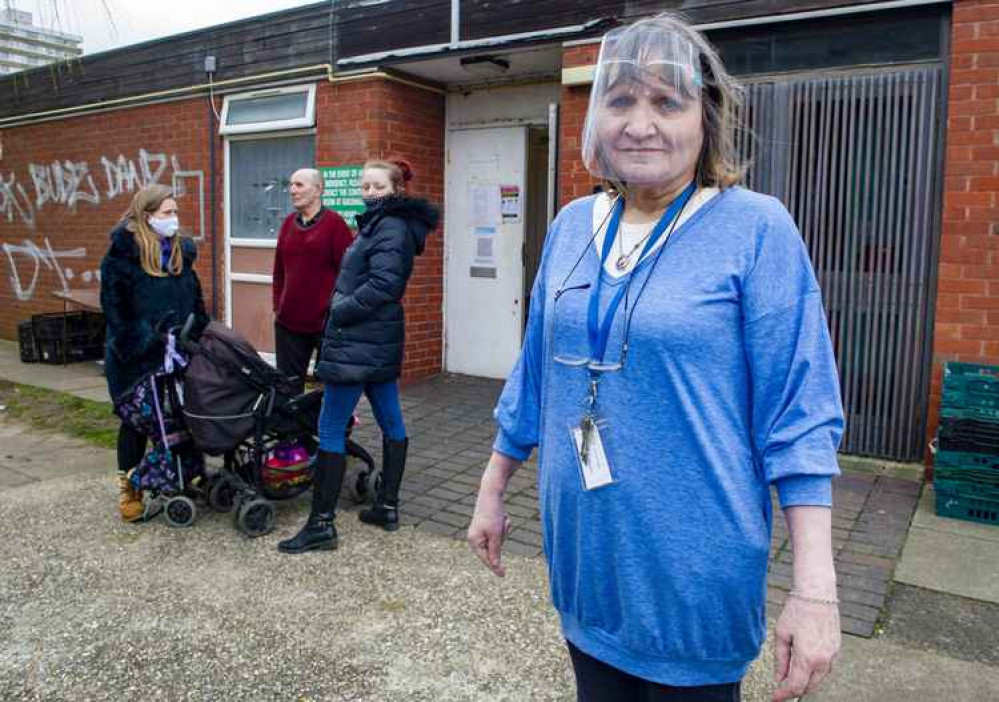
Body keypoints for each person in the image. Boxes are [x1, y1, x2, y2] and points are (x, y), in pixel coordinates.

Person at [467, 14, 843, 702]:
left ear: (706, 116)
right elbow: (534, 376)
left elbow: (799, 413)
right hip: (587, 563)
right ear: (597, 118)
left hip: (693, 579)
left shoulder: (754, 227)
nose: (640, 123)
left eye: (665, 102)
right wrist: (492, 490)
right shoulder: (571, 227)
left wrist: (813, 590)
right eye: (620, 100)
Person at [278, 158, 439, 554]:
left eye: (377, 187)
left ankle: (321, 524)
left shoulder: (391, 228)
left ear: (396, 191)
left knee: (330, 427)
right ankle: (386, 506)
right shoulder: (382, 225)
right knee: (390, 421)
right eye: (365, 187)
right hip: (374, 344)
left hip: (358, 342)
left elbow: (385, 284)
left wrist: (340, 308)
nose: (369, 193)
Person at [100, 184, 209, 522]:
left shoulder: (179, 254)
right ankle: (129, 488)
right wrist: (147, 338)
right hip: (136, 359)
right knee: (136, 422)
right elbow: (115, 313)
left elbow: (196, 301)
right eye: (167, 213)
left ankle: (183, 475)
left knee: (181, 417)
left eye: (175, 212)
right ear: (147, 216)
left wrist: (198, 330)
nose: (174, 219)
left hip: (177, 354)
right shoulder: (121, 259)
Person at [272, 168, 353, 396]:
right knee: (287, 387)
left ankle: (333, 430)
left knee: (333, 385)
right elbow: (279, 270)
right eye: (291, 184)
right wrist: (277, 306)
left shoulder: (335, 225)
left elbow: (348, 273)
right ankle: (292, 431)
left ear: (318, 190)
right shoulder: (288, 223)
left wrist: (337, 310)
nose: (292, 190)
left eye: (299, 185)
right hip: (288, 323)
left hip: (325, 324)